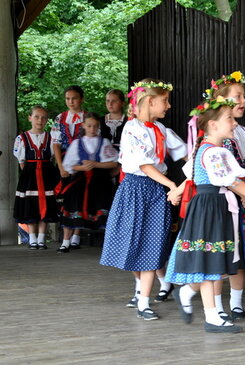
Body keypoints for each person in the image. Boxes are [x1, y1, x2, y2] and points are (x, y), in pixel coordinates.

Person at [165, 95, 245, 333]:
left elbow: (236, 178)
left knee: (214, 262)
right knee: (211, 261)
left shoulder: (212, 150)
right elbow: (234, 182)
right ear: (213, 125)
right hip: (211, 207)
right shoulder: (213, 153)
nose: (234, 123)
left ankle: (200, 303)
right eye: (229, 119)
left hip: (215, 206)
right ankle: (211, 315)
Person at [99, 78, 186, 321]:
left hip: (157, 192)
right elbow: (144, 165)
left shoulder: (162, 130)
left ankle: (144, 301)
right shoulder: (132, 128)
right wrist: (171, 185)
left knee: (152, 243)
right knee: (134, 240)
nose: (168, 106)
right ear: (150, 101)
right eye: (165, 101)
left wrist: (193, 176)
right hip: (136, 189)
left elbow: (186, 156)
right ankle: (140, 293)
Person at [208, 71, 245, 321]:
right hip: (223, 200)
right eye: (237, 96)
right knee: (222, 251)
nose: (243, 101)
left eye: (244, 96)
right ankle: (216, 305)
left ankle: (236, 303)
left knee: (241, 251)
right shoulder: (213, 134)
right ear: (222, 100)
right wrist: (244, 194)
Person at [58, 113, 118, 252]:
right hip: (80, 180)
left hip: (100, 182)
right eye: (89, 126)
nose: (92, 129)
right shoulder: (77, 143)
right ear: (83, 126)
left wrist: (95, 164)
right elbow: (69, 166)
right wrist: (82, 167)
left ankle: (108, 244)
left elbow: (113, 163)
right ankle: (66, 242)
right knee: (72, 206)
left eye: (95, 126)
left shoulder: (104, 142)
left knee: (103, 207)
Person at [13, 106, 59, 249]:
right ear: (30, 118)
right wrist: (28, 174)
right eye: (37, 117)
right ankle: (32, 238)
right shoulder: (22, 138)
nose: (40, 120)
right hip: (30, 175)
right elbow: (21, 161)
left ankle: (41, 238)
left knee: (45, 204)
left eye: (44, 117)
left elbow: (54, 157)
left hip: (46, 174)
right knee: (30, 205)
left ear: (47, 120)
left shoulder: (50, 138)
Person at [51, 85, 87, 249]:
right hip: (65, 161)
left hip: (83, 163)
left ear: (81, 99)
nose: (70, 102)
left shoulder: (88, 117)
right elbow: (56, 144)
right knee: (65, 198)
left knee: (80, 198)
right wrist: (60, 166)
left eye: (74, 98)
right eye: (67, 98)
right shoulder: (60, 118)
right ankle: (66, 237)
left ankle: (76, 235)